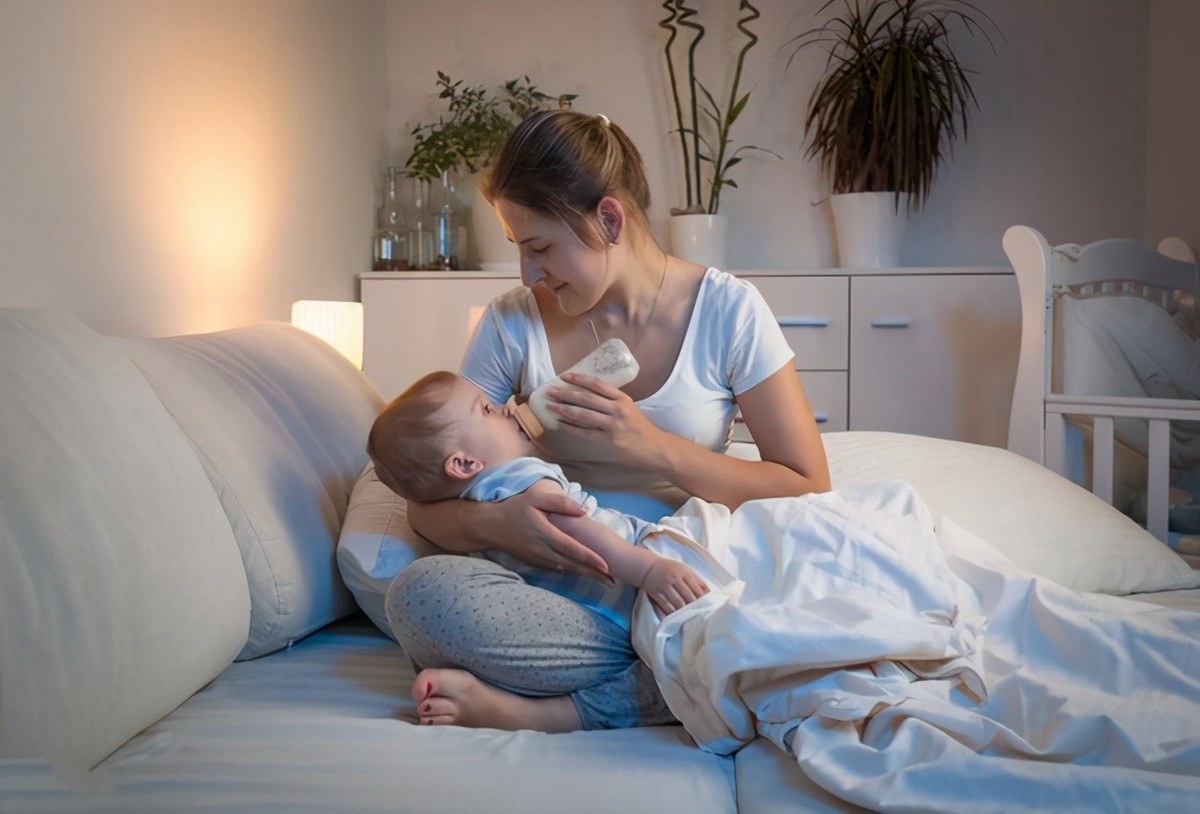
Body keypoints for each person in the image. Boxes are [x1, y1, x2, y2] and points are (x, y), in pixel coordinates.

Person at [388, 108, 831, 733]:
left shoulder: (727, 310)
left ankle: (560, 704)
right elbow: (427, 501)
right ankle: (703, 667)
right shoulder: (513, 322)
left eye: (541, 247)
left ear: (609, 219)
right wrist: (502, 522)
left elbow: (808, 486)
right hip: (565, 595)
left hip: (681, 578)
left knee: (773, 601)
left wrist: (656, 449)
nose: (529, 274)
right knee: (420, 597)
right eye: (520, 250)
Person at [368, 370, 712, 621]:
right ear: (465, 462)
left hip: (594, 601)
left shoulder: (472, 497)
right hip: (634, 561)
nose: (505, 406)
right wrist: (649, 569)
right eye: (487, 410)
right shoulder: (519, 475)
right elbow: (572, 526)